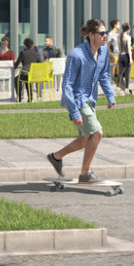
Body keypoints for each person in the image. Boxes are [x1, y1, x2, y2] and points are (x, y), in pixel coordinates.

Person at [46, 19, 108, 184]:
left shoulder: (103, 52)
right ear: (91, 35)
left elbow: (105, 74)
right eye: (102, 33)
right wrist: (73, 112)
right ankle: (84, 173)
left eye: (105, 32)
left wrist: (110, 95)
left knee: (85, 139)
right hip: (77, 100)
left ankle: (56, 157)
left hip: (90, 100)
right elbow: (66, 85)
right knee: (96, 133)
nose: (105, 36)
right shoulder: (76, 55)